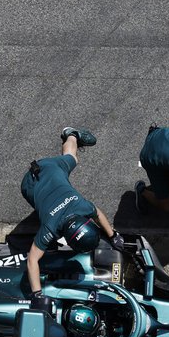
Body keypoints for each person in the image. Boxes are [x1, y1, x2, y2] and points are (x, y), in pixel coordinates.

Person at [21, 128, 123, 300]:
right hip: (28, 185)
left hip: (51, 168)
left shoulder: (82, 206)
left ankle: (72, 135)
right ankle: (72, 135)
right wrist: (37, 295)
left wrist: (113, 235)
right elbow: (32, 261)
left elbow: (98, 214)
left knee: (73, 158)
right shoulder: (49, 228)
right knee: (42, 207)